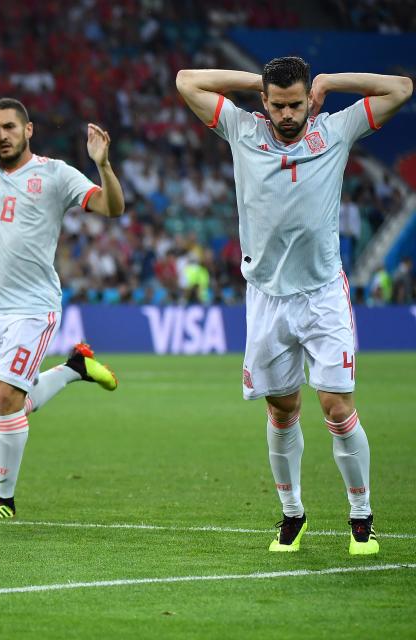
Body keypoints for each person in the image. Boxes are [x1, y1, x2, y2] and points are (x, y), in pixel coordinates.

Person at [176, 56, 412, 554]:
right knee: (282, 411)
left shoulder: (335, 131)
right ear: (265, 101)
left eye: (296, 103)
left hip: (323, 294)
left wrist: (335, 80)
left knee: (337, 407)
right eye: (278, 104)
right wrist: (253, 82)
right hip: (265, 298)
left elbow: (401, 89)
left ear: (310, 99)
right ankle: (292, 514)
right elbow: (186, 81)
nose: (287, 114)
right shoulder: (242, 129)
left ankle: (362, 514)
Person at [0, 55, 125, 521]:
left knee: (10, 400)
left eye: (9, 127)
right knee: (2, 412)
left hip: (34, 308)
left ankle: (3, 499)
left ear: (28, 129)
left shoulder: (55, 174)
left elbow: (112, 207)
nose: (1, 136)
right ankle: (76, 368)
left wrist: (104, 165)